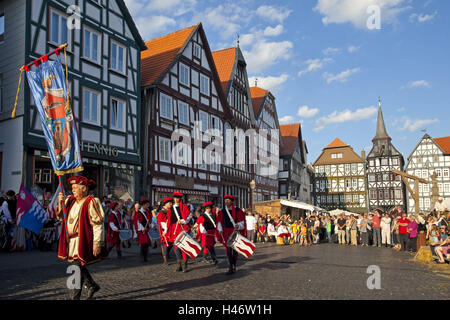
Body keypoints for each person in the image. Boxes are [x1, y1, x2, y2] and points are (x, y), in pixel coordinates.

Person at [56, 176, 106, 300]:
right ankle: (91, 285)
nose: (72, 190)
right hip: (71, 241)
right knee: (78, 265)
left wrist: (97, 243)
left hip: (82, 240)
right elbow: (61, 217)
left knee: (75, 269)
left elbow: (98, 223)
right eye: (72, 188)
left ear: (84, 189)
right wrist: (60, 202)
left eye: (75, 188)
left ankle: (75, 297)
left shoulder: (91, 201)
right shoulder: (69, 200)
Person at [217, 194, 246, 275]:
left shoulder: (238, 210)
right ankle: (230, 266)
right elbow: (219, 221)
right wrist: (220, 229)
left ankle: (234, 264)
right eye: (225, 200)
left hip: (235, 231)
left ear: (232, 201)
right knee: (228, 249)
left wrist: (238, 225)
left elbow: (242, 222)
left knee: (235, 249)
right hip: (226, 232)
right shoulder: (222, 211)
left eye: (228, 200)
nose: (226, 201)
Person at [168, 192, 192, 272]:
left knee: (183, 247)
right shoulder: (171, 209)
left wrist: (181, 221)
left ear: (180, 199)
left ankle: (185, 265)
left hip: (182, 228)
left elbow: (188, 219)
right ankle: (179, 265)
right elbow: (168, 220)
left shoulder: (185, 207)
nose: (176, 199)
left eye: (178, 198)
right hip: (174, 229)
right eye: (175, 198)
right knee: (176, 247)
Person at [156, 197, 174, 266]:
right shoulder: (162, 212)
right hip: (164, 230)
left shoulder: (170, 211)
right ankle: (165, 260)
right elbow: (162, 223)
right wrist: (165, 230)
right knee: (164, 244)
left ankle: (168, 254)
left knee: (171, 244)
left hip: (170, 229)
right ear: (165, 204)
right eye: (170, 203)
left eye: (171, 203)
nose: (171, 204)